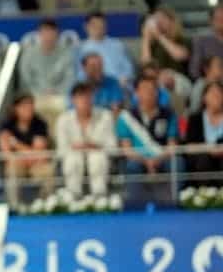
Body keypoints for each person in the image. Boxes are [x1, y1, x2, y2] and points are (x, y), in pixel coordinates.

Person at [117, 76, 180, 207]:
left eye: (153, 89)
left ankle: (174, 202)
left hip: (163, 157)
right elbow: (127, 149)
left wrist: (157, 159)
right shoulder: (126, 116)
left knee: (177, 163)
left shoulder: (169, 114)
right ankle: (135, 205)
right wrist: (147, 161)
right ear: (137, 93)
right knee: (132, 166)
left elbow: (172, 145)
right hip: (137, 158)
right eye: (145, 89)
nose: (149, 93)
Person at [55, 83, 116, 198]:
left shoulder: (105, 116)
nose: (84, 101)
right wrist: (78, 147)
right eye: (80, 97)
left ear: (93, 98)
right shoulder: (63, 119)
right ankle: (73, 196)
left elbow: (112, 147)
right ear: (73, 100)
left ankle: (99, 197)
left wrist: (93, 146)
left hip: (100, 157)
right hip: (73, 157)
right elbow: (61, 150)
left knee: (96, 158)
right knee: (73, 158)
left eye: (88, 97)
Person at [0, 93, 55, 208]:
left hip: (37, 163)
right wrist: (27, 155)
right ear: (16, 108)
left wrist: (16, 144)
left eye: (31, 105)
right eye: (24, 105)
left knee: (47, 170)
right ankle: (14, 206)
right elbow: (7, 155)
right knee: (12, 168)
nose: (29, 109)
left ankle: (47, 206)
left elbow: (39, 152)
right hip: (18, 163)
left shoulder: (40, 124)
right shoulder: (6, 126)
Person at [19, 19, 77, 130]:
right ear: (39, 34)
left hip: (59, 95)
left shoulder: (66, 54)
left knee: (63, 105)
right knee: (30, 108)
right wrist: (40, 92)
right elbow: (25, 80)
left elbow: (69, 78)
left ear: (57, 34)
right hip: (35, 95)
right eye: (45, 32)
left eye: (52, 33)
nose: (48, 36)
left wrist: (57, 91)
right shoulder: (29, 54)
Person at [182, 81, 223, 187]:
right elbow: (189, 146)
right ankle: (204, 195)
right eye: (213, 93)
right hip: (201, 159)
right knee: (203, 160)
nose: (216, 96)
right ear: (204, 97)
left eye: (219, 93)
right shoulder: (195, 119)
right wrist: (209, 149)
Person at [76, 12, 135, 85]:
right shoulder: (80, 49)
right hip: (94, 87)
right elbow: (80, 75)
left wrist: (124, 79)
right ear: (86, 27)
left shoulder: (118, 45)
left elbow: (129, 69)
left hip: (120, 86)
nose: (98, 28)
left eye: (101, 25)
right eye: (95, 25)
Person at [140, 7, 190, 76]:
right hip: (157, 79)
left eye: (162, 18)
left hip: (178, 79)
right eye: (156, 19)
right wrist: (146, 38)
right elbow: (146, 68)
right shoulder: (154, 44)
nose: (159, 22)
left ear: (172, 21)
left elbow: (180, 56)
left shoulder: (182, 39)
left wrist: (159, 35)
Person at [190, 5, 223, 80]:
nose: (221, 22)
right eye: (218, 19)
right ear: (211, 21)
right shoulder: (201, 40)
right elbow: (194, 70)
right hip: (209, 80)